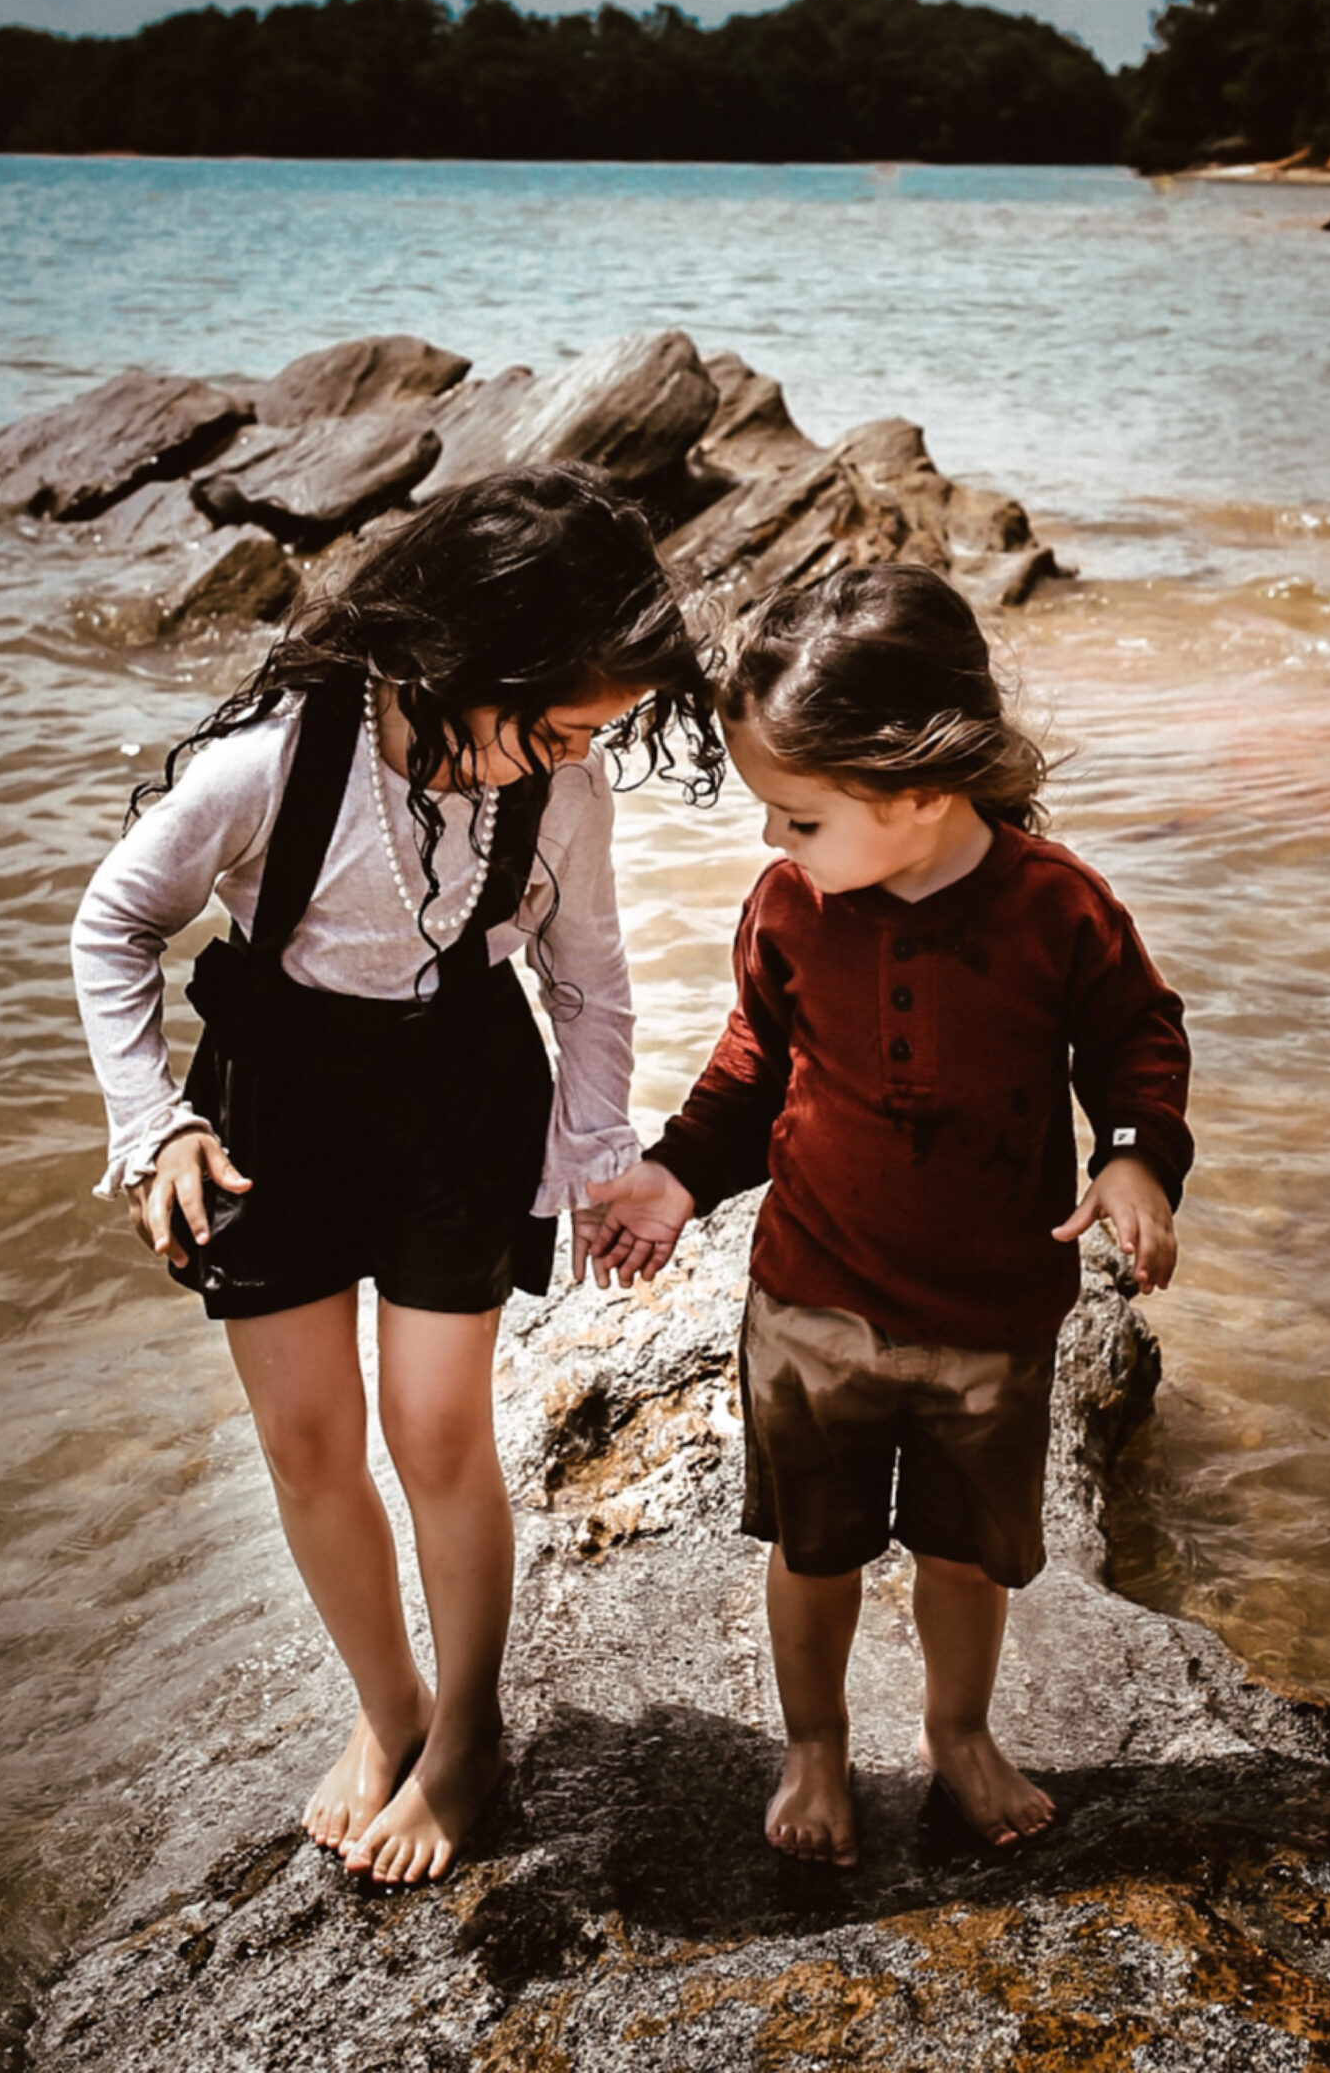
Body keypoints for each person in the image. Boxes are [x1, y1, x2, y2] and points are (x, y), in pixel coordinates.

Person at [71, 466, 720, 1886]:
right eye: (547, 723)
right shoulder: (266, 763)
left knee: (435, 1428)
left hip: (459, 1100)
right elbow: (111, 929)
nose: (562, 753)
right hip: (275, 1111)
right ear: (454, 659)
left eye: (589, 733)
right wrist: (150, 1125)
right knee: (308, 1441)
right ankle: (390, 1712)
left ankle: (473, 1731)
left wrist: (598, 1152)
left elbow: (591, 982)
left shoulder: (556, 791)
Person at [578, 563, 1191, 1866]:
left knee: (964, 1557)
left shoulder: (1054, 906)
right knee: (816, 1550)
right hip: (810, 1303)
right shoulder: (792, 906)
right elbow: (748, 1067)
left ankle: (955, 1733)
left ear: (917, 790)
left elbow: (1136, 1036)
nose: (770, 844)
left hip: (988, 1315)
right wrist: (675, 1177)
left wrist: (1134, 1160)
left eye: (795, 816)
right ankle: (812, 1749)